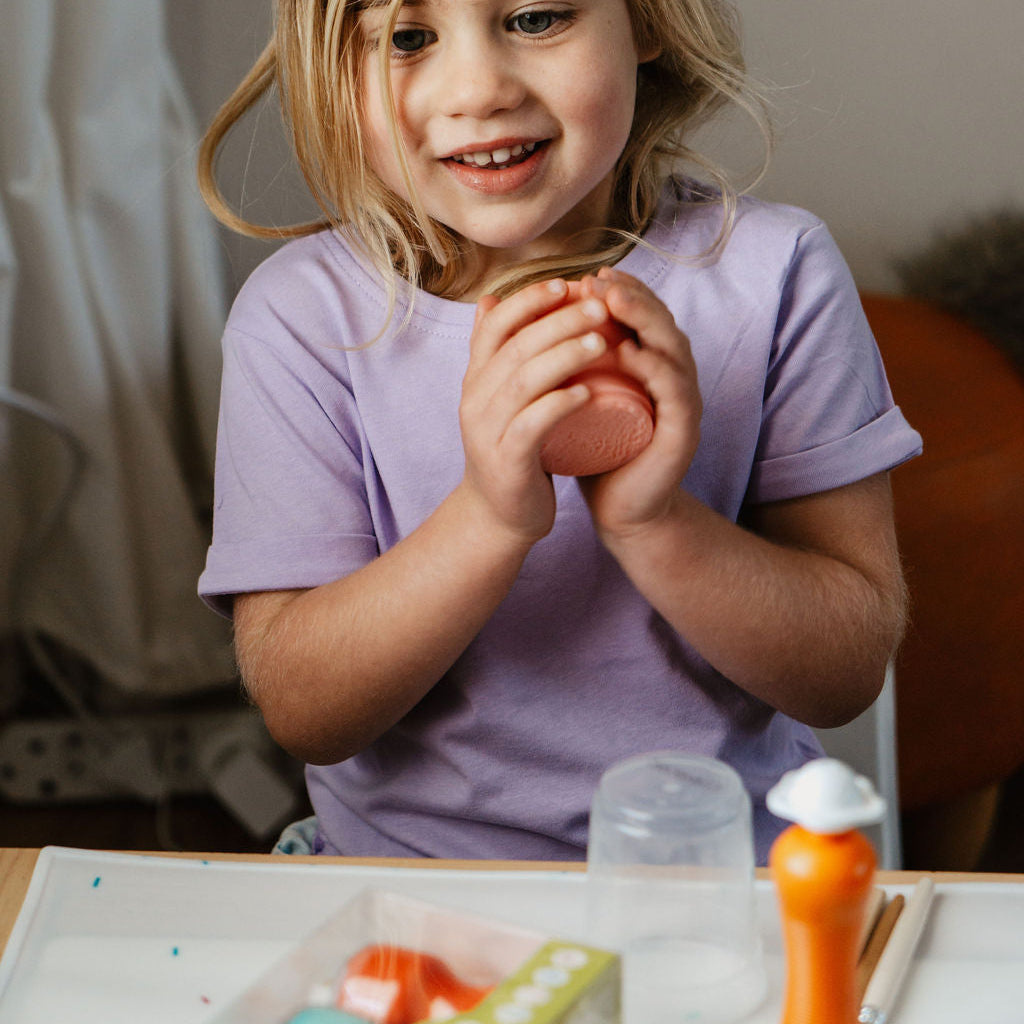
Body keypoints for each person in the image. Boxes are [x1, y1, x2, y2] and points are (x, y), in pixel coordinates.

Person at [197, 0, 922, 865]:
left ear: (646, 20)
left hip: (726, 884)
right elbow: (305, 711)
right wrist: (488, 520)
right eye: (408, 38)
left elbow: (843, 676)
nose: (478, 91)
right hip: (409, 893)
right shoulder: (304, 320)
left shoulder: (776, 273)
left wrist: (654, 525)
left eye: (537, 18)